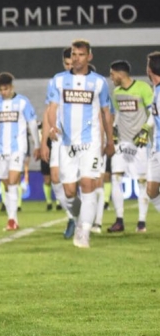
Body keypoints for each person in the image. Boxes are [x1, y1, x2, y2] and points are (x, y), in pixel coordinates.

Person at [41, 39, 114, 248]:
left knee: (88, 184)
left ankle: (84, 232)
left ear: (89, 57)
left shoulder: (99, 83)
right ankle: (78, 218)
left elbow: (106, 113)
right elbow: (52, 108)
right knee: (69, 192)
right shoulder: (58, 80)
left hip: (90, 142)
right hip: (66, 144)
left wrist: (110, 140)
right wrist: (52, 127)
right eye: (74, 54)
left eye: (81, 54)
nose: (77, 58)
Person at [0, 72, 40, 231]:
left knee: (13, 181)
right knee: (6, 184)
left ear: (12, 87)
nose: (3, 92)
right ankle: (12, 218)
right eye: (0, 89)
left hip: (18, 148)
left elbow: (32, 123)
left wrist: (37, 144)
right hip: (0, 149)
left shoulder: (22, 102)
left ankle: (12, 219)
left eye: (5, 89)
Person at [106, 59, 154, 233]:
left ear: (120, 74)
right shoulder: (116, 92)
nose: (111, 78)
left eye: (112, 74)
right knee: (116, 177)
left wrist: (145, 129)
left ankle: (141, 222)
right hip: (122, 142)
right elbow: (118, 114)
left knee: (142, 181)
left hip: (139, 143)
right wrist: (114, 128)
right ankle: (119, 220)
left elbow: (153, 112)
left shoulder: (143, 88)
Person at [45, 48, 77, 236]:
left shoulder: (88, 81)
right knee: (56, 178)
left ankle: (90, 218)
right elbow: (49, 109)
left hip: (81, 139)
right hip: (59, 137)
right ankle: (72, 216)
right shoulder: (56, 81)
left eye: (72, 63)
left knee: (79, 183)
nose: (70, 66)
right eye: (67, 63)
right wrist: (45, 139)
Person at [143, 52, 160, 222]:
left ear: (150, 69)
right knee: (151, 191)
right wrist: (146, 127)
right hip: (156, 149)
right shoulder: (155, 89)